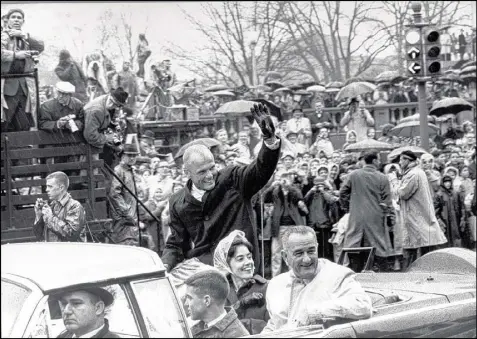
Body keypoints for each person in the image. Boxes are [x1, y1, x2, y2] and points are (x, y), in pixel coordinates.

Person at [162, 104, 280, 272]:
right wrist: (165, 265)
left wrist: (269, 140)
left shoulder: (233, 179)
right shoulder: (177, 202)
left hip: (242, 270)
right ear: (187, 172)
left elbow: (260, 170)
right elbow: (176, 243)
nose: (210, 175)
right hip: (205, 274)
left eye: (212, 167)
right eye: (202, 172)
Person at [262, 226, 372, 332]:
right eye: (299, 253)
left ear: (317, 249)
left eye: (311, 251)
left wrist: (314, 313)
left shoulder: (337, 275)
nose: (307, 259)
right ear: (285, 256)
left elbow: (363, 306)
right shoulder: (275, 284)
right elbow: (274, 325)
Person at [339, 151, 393, 272]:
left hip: (356, 216)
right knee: (378, 245)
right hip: (375, 217)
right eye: (378, 160)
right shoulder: (383, 177)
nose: (379, 162)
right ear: (374, 161)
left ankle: (356, 275)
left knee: (354, 245)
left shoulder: (353, 175)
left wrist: (348, 207)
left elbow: (342, 193)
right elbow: (387, 201)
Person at [398, 150, 447, 270]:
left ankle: (412, 273)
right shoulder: (415, 172)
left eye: (402, 159)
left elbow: (403, 193)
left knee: (414, 248)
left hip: (416, 216)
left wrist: (395, 183)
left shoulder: (413, 174)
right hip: (419, 215)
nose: (399, 162)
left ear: (409, 161)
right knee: (423, 245)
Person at [213, 230, 269, 334]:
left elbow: (274, 327)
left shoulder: (267, 287)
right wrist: (241, 303)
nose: (248, 262)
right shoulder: (220, 292)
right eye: (240, 259)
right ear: (226, 264)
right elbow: (217, 326)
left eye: (249, 257)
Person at [1, 8, 44, 132]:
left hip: (25, 87)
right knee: (4, 121)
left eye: (19, 18)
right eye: (13, 17)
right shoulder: (3, 36)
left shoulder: (26, 38)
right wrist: (15, 55)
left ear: (23, 21)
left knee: (23, 123)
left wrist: (24, 36)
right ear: (7, 20)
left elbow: (40, 47)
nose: (16, 20)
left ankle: (22, 149)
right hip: (6, 86)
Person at [263, 172, 308, 277]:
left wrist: (289, 187)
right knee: (276, 253)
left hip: (293, 226)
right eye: (282, 178)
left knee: (293, 251)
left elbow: (300, 197)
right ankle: (275, 276)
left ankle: (294, 275)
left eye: (286, 178)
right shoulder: (275, 191)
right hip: (278, 226)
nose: (284, 180)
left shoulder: (294, 191)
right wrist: (272, 186)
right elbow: (264, 197)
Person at [184, 269, 250, 338]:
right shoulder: (198, 325)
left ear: (207, 301)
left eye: (190, 298)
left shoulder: (238, 335)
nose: (186, 303)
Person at [33, 171, 86, 242]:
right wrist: (38, 216)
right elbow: (39, 236)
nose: (46, 190)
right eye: (47, 186)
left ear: (61, 188)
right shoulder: (51, 206)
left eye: (50, 186)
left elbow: (71, 235)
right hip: (54, 251)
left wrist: (50, 217)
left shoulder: (75, 206)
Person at [83, 87, 129, 166]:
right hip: (85, 143)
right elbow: (90, 136)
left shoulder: (107, 102)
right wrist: (107, 139)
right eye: (111, 101)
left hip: (96, 139)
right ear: (109, 95)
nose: (111, 105)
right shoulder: (96, 110)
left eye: (115, 104)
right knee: (96, 165)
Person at [108, 143, 140, 246]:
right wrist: (126, 212)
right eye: (129, 155)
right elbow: (114, 194)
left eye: (134, 155)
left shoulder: (131, 171)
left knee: (132, 240)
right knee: (123, 241)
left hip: (131, 213)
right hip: (122, 215)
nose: (132, 158)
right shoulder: (118, 170)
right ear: (122, 156)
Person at [434, 175, 466, 248]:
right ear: (442, 183)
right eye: (445, 182)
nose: (448, 183)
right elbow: (435, 210)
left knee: (457, 237)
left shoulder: (456, 193)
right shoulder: (439, 195)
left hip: (456, 220)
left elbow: (462, 207)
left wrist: (462, 218)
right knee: (446, 240)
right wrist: (440, 222)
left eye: (449, 181)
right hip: (445, 220)